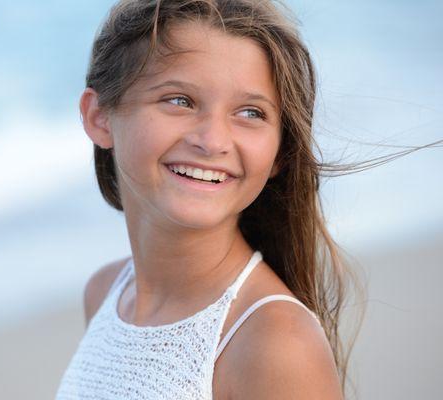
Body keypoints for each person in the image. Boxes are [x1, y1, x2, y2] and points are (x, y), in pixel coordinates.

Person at [56, 0, 361, 399]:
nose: (213, 141)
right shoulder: (105, 292)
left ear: (280, 153)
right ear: (99, 117)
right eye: (180, 100)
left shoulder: (275, 342)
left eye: (251, 113)